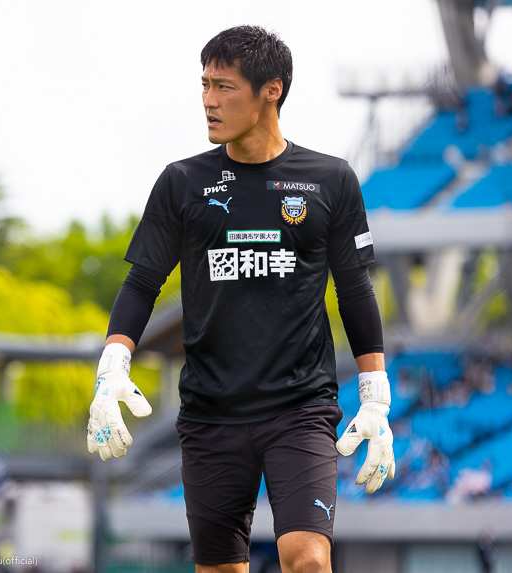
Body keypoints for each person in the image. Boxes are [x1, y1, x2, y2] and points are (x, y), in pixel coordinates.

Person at [86, 25, 395, 572]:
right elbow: (141, 283)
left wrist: (375, 396)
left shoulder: (331, 179)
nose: (208, 100)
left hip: (300, 409)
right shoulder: (181, 182)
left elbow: (354, 290)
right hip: (210, 412)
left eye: (224, 86)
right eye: (204, 85)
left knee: (308, 558)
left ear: (271, 90)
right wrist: (112, 366)